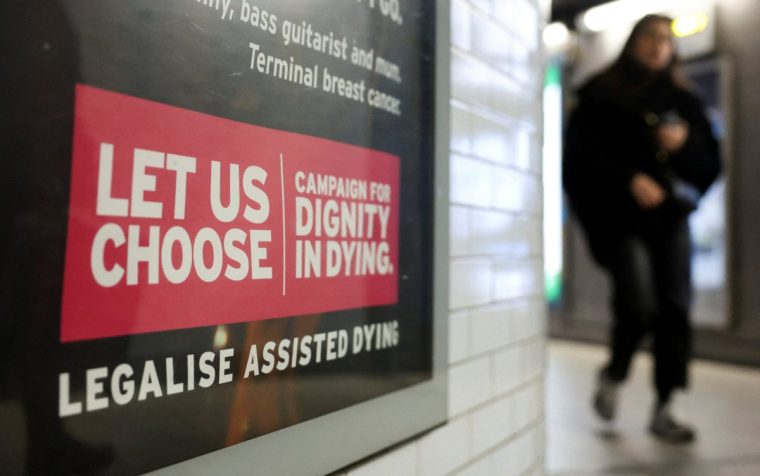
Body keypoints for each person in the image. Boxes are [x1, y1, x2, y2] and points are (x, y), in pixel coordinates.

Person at [562, 14, 721, 443]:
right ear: (633, 42)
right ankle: (614, 373)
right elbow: (578, 163)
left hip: (669, 219)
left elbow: (710, 166)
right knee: (638, 303)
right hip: (619, 220)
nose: (658, 46)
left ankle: (665, 406)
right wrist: (627, 179)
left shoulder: (684, 101)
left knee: (674, 308)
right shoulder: (599, 95)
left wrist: (684, 145)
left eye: (666, 40)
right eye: (651, 37)